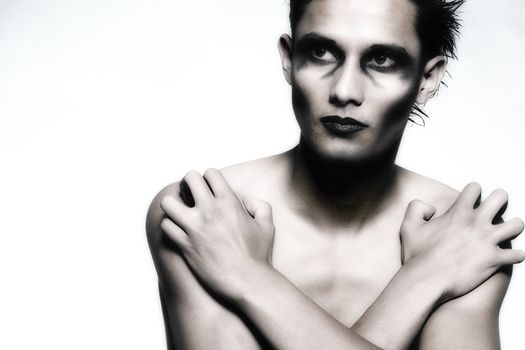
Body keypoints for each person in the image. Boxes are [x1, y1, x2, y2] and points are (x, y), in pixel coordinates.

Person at [146, 0, 525, 349]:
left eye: (381, 59)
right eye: (321, 52)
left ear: (427, 79)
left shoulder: (463, 233)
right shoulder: (204, 214)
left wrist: (248, 277)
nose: (345, 90)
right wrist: (424, 280)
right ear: (289, 59)